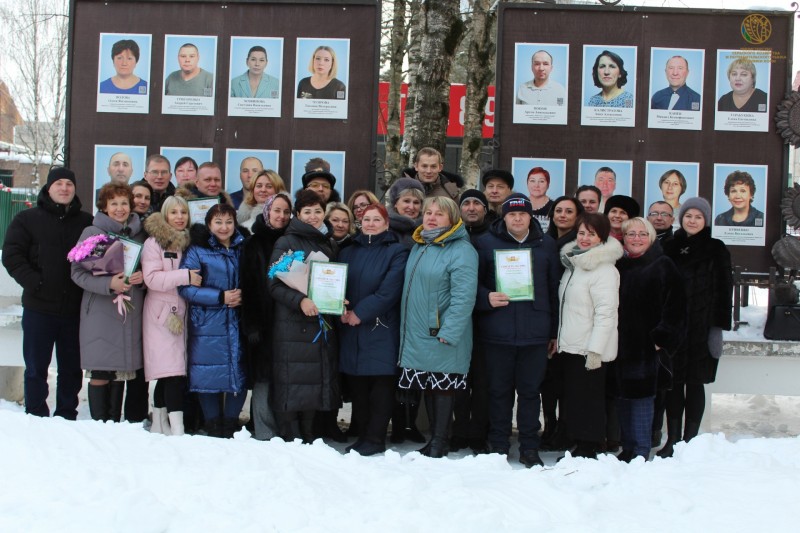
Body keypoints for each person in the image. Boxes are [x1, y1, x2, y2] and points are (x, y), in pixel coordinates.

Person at [474, 194, 560, 468]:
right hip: (497, 331)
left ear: (531, 217)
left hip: (535, 332)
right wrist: (486, 297)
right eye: (512, 214)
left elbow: (553, 290)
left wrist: (554, 331)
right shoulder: (486, 243)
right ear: (504, 217)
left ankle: (529, 447)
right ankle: (499, 444)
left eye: (523, 214)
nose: (518, 219)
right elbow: (470, 284)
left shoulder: (546, 245)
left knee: (530, 392)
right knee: (498, 391)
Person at [2, 167, 92, 419]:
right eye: (59, 184)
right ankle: (36, 412)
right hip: (38, 307)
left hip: (74, 309)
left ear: (74, 189)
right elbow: (12, 255)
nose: (64, 188)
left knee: (72, 368)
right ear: (49, 188)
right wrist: (35, 282)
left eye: (69, 184)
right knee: (35, 367)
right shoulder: (27, 219)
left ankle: (66, 412)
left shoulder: (86, 222)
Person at [398, 196, 478, 458]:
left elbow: (464, 297)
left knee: (443, 388)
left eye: (439, 214)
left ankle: (440, 442)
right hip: (420, 332)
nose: (431, 217)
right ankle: (435, 439)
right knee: (430, 386)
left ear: (453, 219)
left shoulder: (461, 250)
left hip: (441, 332)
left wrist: (450, 331)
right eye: (428, 212)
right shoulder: (420, 245)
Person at [661, 198, 732, 457]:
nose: (692, 220)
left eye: (698, 216)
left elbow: (725, 290)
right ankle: (673, 440)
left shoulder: (716, 248)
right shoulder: (669, 246)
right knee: (673, 384)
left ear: (706, 220)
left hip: (702, 328)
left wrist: (717, 329)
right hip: (674, 327)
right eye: (688, 215)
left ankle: (690, 442)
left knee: (694, 383)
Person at [71, 183, 147, 423]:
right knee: (101, 370)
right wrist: (108, 284)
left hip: (129, 310)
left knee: (120, 372)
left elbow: (150, 268)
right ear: (104, 207)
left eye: (124, 203)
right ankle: (99, 424)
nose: (119, 208)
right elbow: (77, 273)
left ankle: (114, 422)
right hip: (101, 311)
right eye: (113, 203)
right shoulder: (92, 234)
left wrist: (142, 278)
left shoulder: (139, 233)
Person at [268, 189, 340, 442]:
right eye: (307, 212)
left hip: (320, 322)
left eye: (317, 211)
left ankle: (309, 433)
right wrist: (300, 301)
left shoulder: (329, 243)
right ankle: (291, 434)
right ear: (298, 214)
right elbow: (274, 285)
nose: (313, 216)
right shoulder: (286, 242)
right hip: (292, 325)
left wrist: (339, 298)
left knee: (314, 380)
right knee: (293, 379)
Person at [338, 203, 410, 455]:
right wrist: (340, 306)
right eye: (366, 219)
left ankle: (376, 437)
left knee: (380, 385)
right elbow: (337, 282)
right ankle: (364, 435)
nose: (370, 223)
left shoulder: (397, 251)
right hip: (350, 327)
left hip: (380, 328)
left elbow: (389, 291)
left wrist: (360, 312)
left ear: (386, 224)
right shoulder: (348, 250)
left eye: (375, 220)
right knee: (358, 384)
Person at [614, 217, 686, 461]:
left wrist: (661, 338)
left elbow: (676, 306)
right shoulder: (620, 265)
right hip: (621, 343)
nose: (636, 238)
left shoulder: (663, 264)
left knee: (643, 397)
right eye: (631, 234)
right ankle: (628, 446)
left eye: (642, 234)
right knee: (623, 395)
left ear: (651, 237)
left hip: (647, 345)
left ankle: (642, 448)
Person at [556, 213, 623, 459]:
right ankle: (579, 440)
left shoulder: (604, 270)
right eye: (581, 233)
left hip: (590, 348)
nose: (584, 238)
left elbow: (606, 314)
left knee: (590, 398)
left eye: (591, 234)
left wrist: (595, 350)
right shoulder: (576, 263)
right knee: (576, 396)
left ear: (602, 237)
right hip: (572, 344)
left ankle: (591, 443)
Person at [179, 203, 247, 438]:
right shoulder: (197, 250)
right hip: (207, 322)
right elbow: (186, 288)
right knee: (207, 374)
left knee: (239, 372)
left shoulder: (244, 247)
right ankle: (212, 423)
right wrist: (220, 296)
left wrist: (243, 296)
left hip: (239, 321)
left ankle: (230, 423)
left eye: (228, 221)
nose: (224, 227)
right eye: (218, 222)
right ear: (209, 225)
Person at [141, 195, 201, 436]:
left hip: (181, 311)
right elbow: (152, 279)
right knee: (171, 372)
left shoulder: (188, 241)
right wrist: (185, 276)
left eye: (183, 212)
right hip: (162, 314)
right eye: (174, 212)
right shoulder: (154, 243)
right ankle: (177, 428)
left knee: (168, 373)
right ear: (165, 215)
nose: (179, 217)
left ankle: (159, 423)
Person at [241, 193, 293, 441]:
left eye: (286, 212)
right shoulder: (254, 243)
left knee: (283, 376)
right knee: (262, 378)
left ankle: (284, 429)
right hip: (262, 321)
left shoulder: (292, 241)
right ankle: (264, 429)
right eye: (277, 211)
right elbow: (248, 285)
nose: (281, 216)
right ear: (267, 212)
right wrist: (252, 325)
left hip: (289, 320)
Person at [451, 189, 494, 454]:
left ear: (485, 209)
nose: (471, 207)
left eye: (477, 203)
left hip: (485, 317)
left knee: (482, 380)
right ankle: (458, 430)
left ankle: (478, 432)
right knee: (458, 379)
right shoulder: (453, 237)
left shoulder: (493, 237)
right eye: (465, 202)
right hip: (457, 319)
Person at [540, 196, 583, 452]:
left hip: (571, 319)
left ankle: (565, 429)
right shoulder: (545, 242)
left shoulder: (580, 244)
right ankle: (550, 426)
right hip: (547, 315)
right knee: (548, 381)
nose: (563, 215)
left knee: (566, 381)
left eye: (569, 211)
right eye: (559, 211)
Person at [387, 177, 425, 251]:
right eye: (406, 201)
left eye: (416, 202)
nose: (411, 207)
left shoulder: (427, 228)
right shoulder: (384, 227)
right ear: (395, 203)